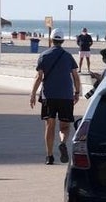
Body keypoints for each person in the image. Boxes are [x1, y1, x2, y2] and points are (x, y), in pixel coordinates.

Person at [29, 29, 81, 165]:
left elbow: (39, 77)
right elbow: (76, 76)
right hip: (66, 96)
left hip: (49, 95)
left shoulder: (44, 55)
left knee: (49, 125)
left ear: (51, 40)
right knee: (64, 126)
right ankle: (62, 142)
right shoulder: (68, 56)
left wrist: (33, 94)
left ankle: (49, 156)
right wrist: (77, 93)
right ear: (62, 41)